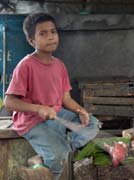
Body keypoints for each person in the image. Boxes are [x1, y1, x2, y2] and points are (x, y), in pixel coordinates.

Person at [4, 12, 101, 180]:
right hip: (31, 121)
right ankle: (46, 162)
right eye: (43, 33)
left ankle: (42, 158)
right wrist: (38, 108)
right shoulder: (25, 66)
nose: (50, 37)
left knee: (92, 124)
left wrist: (81, 111)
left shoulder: (59, 66)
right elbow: (9, 102)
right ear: (31, 41)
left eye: (53, 32)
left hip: (56, 116)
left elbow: (66, 99)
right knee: (59, 158)